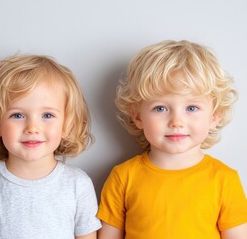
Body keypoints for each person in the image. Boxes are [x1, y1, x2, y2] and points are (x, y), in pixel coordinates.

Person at [97, 40, 247, 238]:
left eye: (191, 108)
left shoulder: (225, 180)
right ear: (138, 116)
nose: (176, 121)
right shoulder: (123, 177)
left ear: (214, 117)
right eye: (161, 108)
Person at [0, 54, 102, 239]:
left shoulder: (78, 185)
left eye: (47, 115)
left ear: (67, 125)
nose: (32, 128)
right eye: (17, 115)